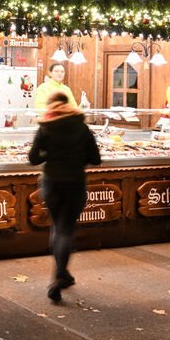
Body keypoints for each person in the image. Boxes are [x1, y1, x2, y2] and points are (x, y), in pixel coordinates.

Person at [28, 90, 101, 303]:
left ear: (51, 106)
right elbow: (95, 158)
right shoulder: (82, 126)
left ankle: (62, 274)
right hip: (75, 183)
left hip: (51, 183)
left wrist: (50, 154)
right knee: (66, 228)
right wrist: (76, 158)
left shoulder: (46, 127)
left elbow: (33, 158)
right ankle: (60, 274)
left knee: (57, 227)